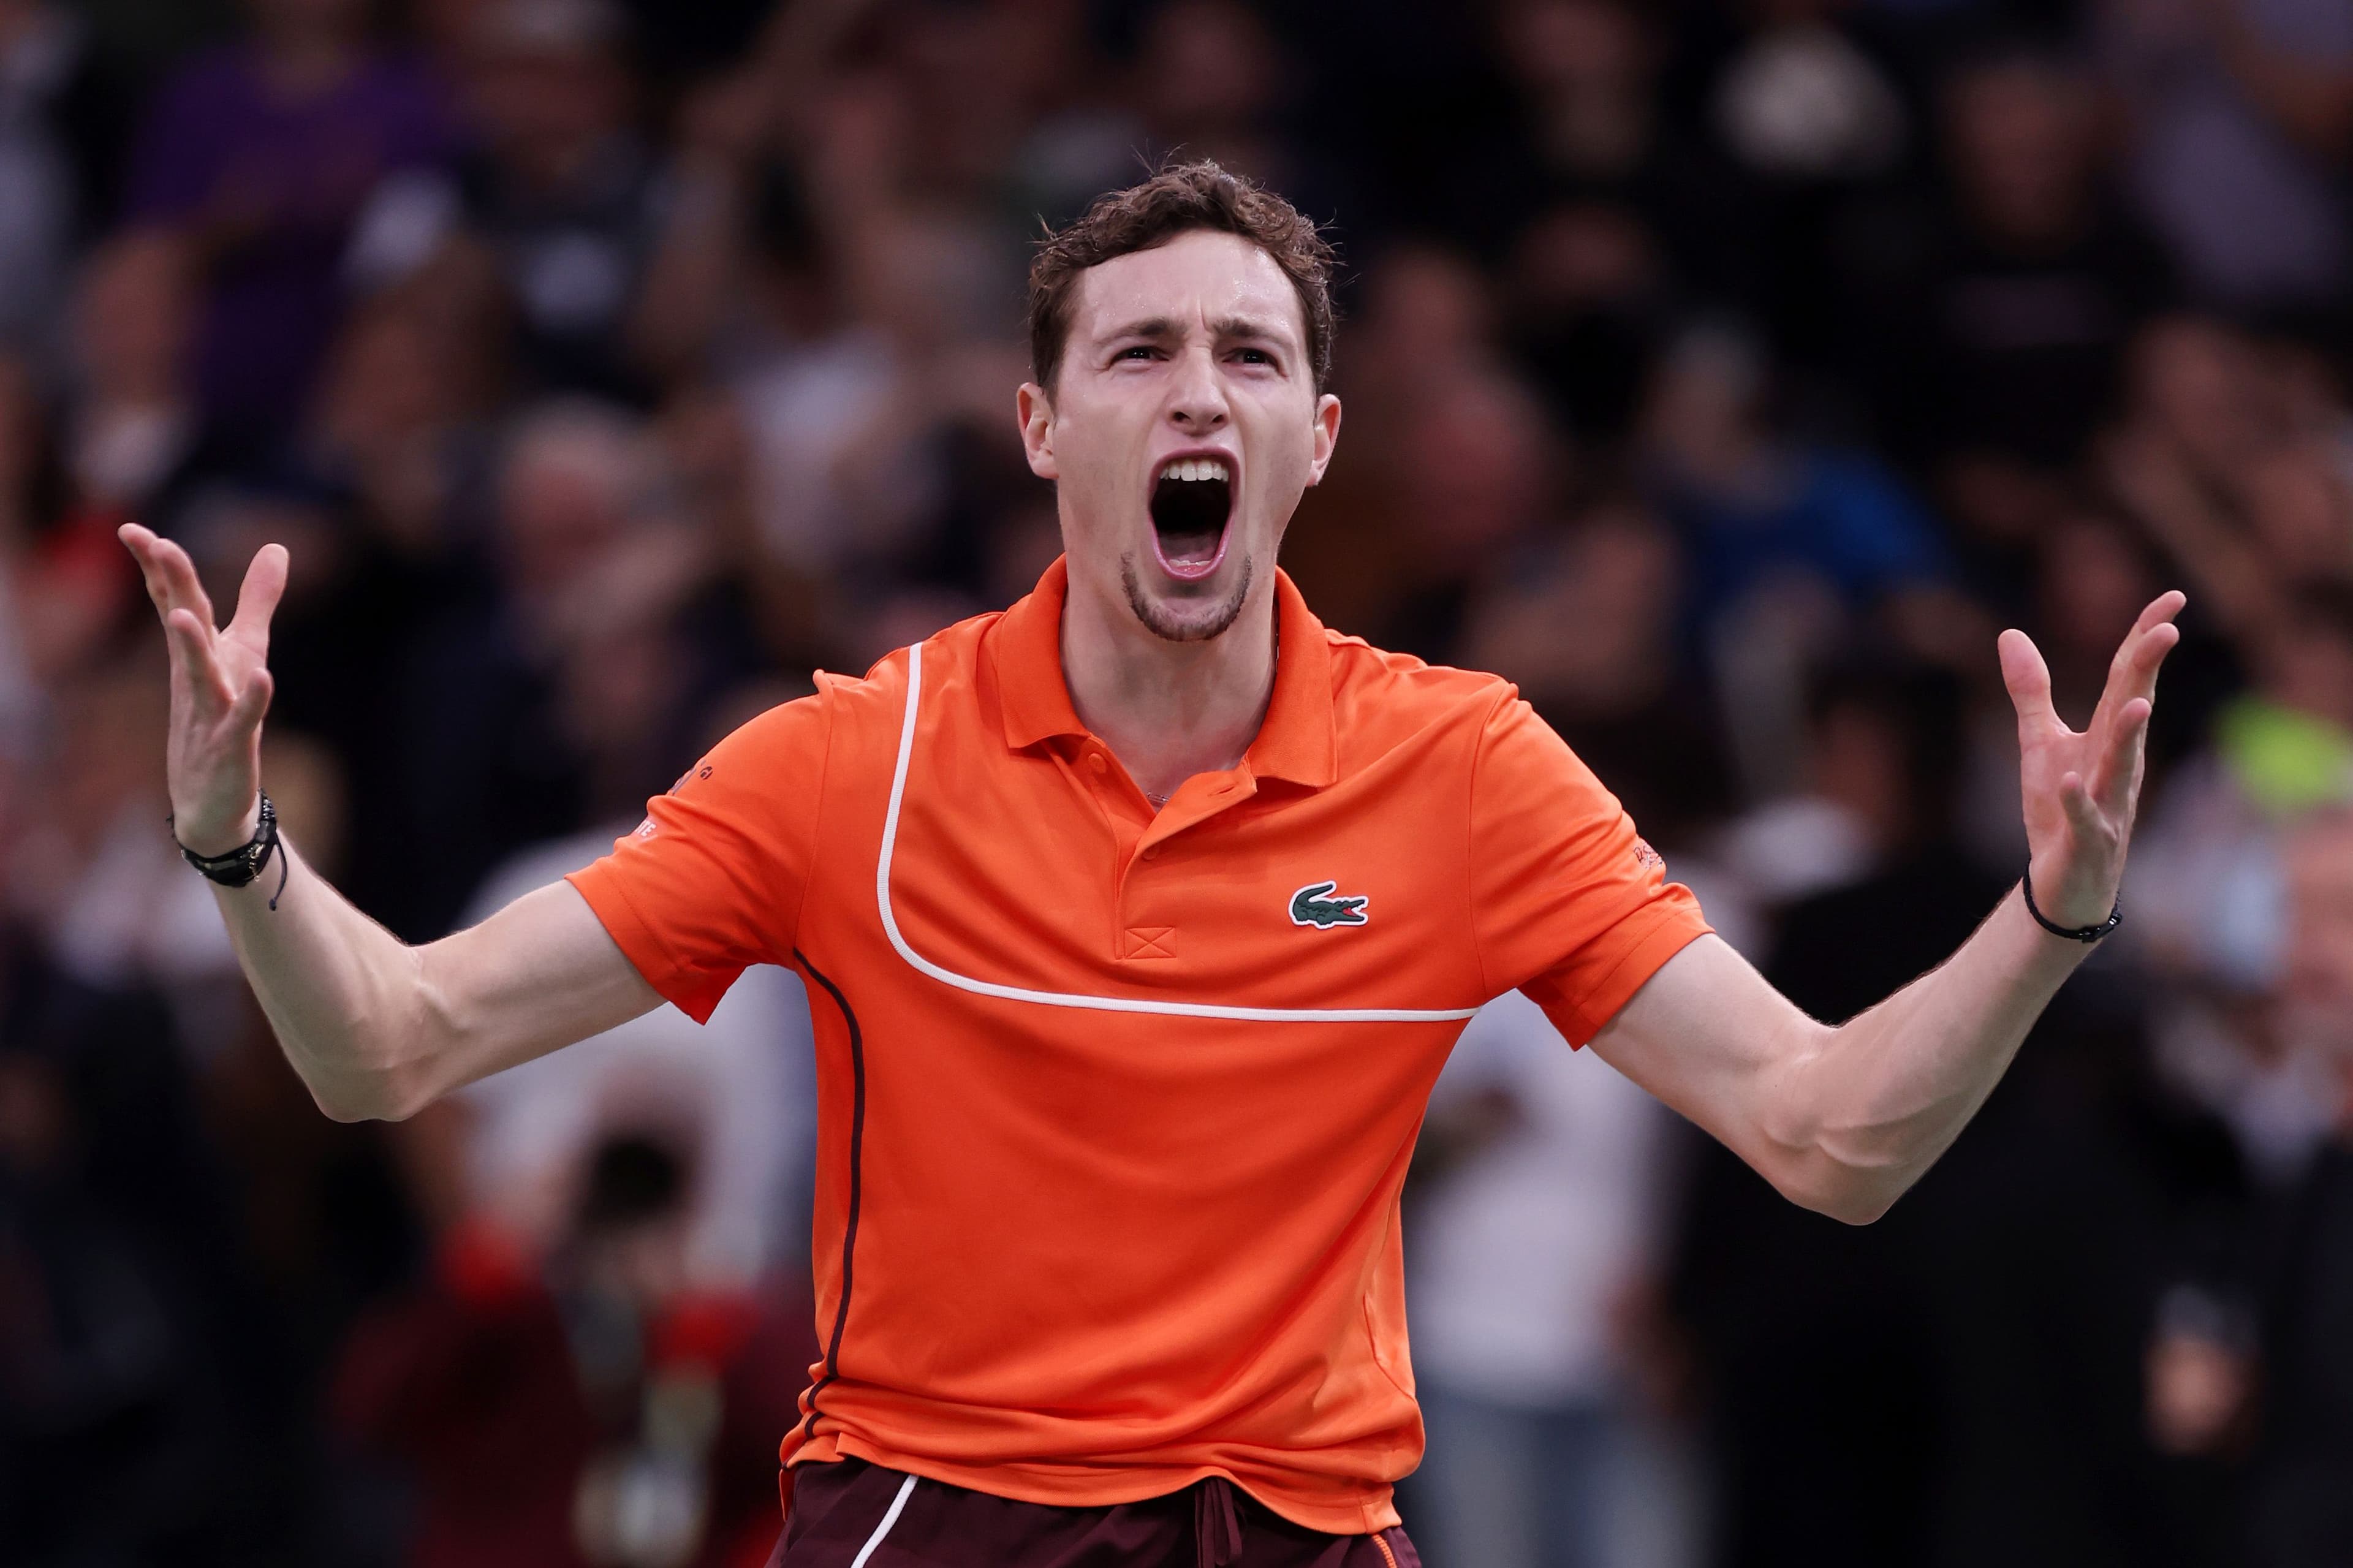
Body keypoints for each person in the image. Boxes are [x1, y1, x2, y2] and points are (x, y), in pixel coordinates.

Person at [118, 161, 2184, 1566]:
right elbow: (387, 1046)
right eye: (1140, 354)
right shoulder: (854, 763)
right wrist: (240, 843)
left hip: (1299, 1530)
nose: (1199, 388)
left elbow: (1828, 1135)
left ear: (1316, 442)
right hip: (948, 1521)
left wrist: (2051, 912)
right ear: (1041, 428)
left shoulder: (1464, 769)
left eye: (1252, 359)